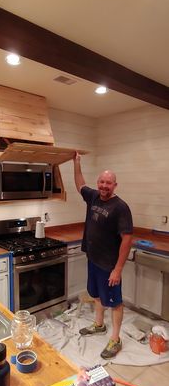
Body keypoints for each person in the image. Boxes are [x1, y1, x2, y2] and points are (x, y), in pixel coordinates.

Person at [73, 152, 133, 359]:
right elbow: (80, 184)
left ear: (115, 185)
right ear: (98, 183)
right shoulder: (93, 197)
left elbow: (127, 239)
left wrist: (117, 269)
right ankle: (99, 325)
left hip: (109, 264)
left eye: (109, 183)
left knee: (114, 302)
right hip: (93, 258)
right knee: (97, 295)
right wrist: (77, 162)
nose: (104, 186)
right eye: (102, 182)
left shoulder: (121, 207)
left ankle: (115, 339)